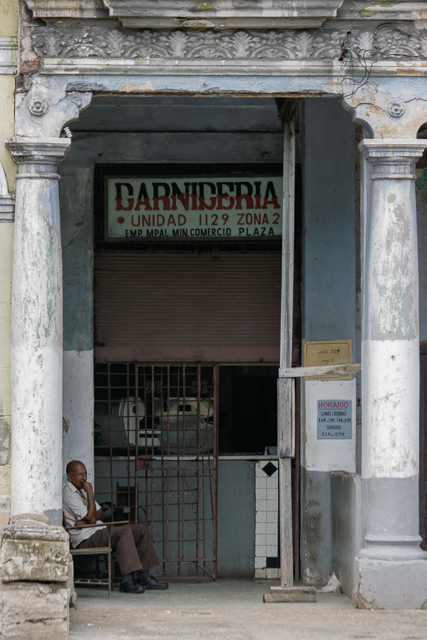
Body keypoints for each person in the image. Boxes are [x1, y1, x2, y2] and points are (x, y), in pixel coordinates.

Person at [63, 460, 168, 594]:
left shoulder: (81, 490)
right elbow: (92, 517)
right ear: (70, 477)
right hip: (85, 538)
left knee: (140, 530)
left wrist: (89, 520)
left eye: (85, 474)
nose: (84, 478)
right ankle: (127, 581)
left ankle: (144, 577)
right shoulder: (69, 494)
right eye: (80, 475)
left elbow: (101, 514)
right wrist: (90, 495)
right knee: (123, 531)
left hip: (97, 531)